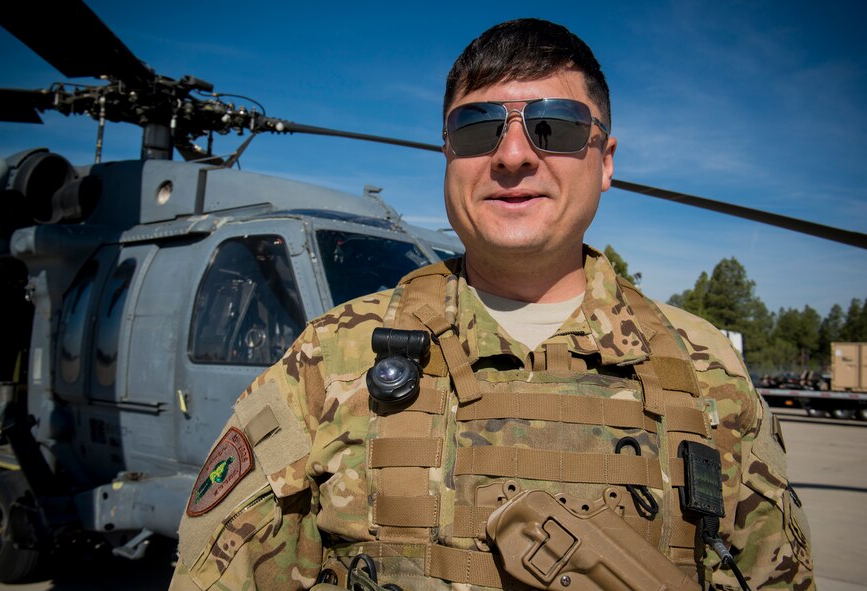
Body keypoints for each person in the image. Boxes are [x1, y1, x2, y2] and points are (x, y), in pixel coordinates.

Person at [170, 18, 814, 591]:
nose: (512, 154)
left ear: (606, 159)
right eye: (476, 129)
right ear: (447, 153)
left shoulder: (707, 374)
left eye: (554, 127)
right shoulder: (330, 356)